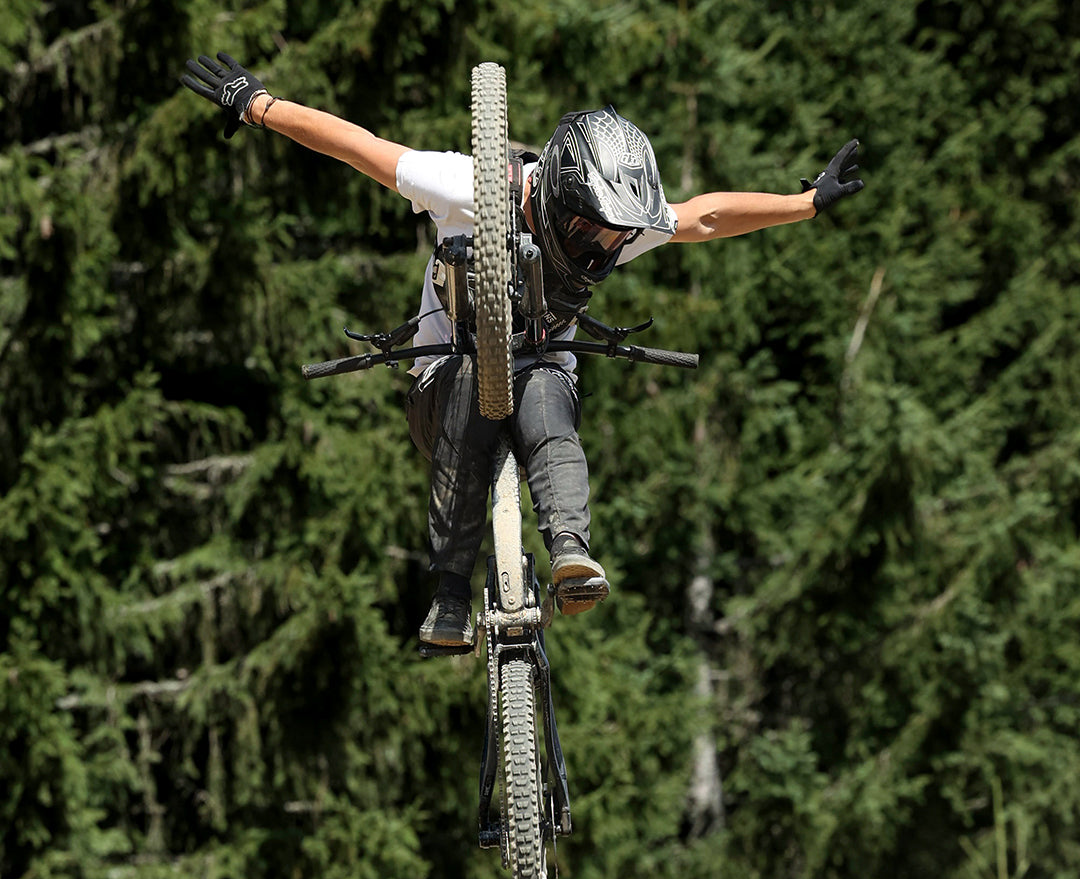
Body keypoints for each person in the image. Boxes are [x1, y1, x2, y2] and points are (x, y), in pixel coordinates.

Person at [181, 53, 865, 647]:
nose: (602, 246)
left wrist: (803, 203)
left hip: (538, 378)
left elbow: (703, 216)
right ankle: (451, 594)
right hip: (444, 387)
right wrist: (258, 105)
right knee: (468, 381)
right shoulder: (468, 189)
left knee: (545, 391)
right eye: (589, 230)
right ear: (558, 193)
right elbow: (362, 148)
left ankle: (570, 552)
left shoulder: (617, 218)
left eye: (615, 238)